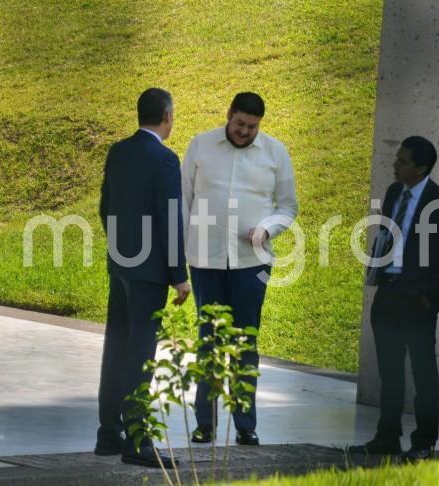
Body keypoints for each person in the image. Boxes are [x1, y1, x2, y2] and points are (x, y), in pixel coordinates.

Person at [181, 92, 298, 446]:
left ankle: (246, 425)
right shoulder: (201, 145)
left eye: (252, 126)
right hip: (205, 262)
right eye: (240, 124)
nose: (245, 131)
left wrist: (267, 229)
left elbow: (288, 207)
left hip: (252, 264)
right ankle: (206, 424)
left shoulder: (276, 153)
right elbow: (182, 201)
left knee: (246, 342)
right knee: (209, 342)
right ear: (228, 115)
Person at [349, 136, 439, 461]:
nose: (394, 165)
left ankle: (424, 442)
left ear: (421, 167)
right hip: (389, 292)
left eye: (402, 161)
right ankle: (387, 437)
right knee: (390, 371)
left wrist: (432, 300)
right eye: (397, 159)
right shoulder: (394, 192)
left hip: (418, 300)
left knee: (424, 372)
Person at [96, 88, 191, 467]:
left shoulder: (118, 152)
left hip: (120, 266)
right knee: (140, 353)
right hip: (149, 273)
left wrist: (120, 248)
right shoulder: (166, 160)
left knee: (116, 347)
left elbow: (106, 207)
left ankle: (108, 433)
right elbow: (170, 218)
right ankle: (138, 440)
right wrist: (179, 275)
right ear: (167, 116)